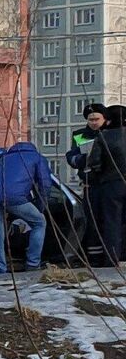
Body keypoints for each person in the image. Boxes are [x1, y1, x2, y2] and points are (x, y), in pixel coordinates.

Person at [0, 137, 55, 274]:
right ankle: (33, 264)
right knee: (39, 222)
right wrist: (40, 207)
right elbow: (44, 184)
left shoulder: (4, 159)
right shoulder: (37, 158)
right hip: (14, 197)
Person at [86, 104, 126, 268]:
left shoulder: (103, 137)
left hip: (111, 185)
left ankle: (112, 260)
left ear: (108, 120)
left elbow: (95, 163)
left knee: (112, 222)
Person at [69, 104, 110, 260]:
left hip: (107, 183)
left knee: (109, 220)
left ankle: (109, 255)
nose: (93, 122)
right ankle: (94, 258)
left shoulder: (110, 133)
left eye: (96, 119)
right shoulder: (80, 135)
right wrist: (84, 159)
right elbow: (72, 157)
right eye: (90, 119)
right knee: (92, 222)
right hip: (89, 184)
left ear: (104, 119)